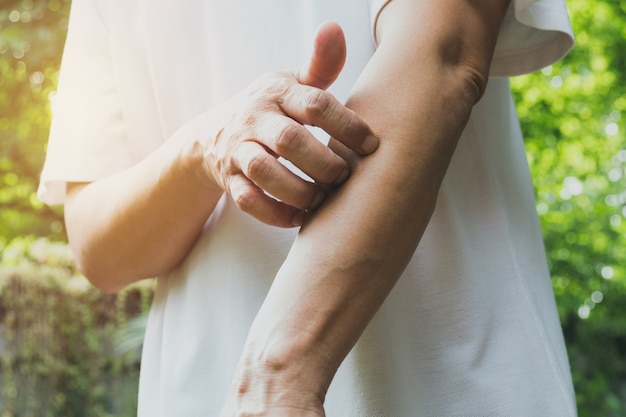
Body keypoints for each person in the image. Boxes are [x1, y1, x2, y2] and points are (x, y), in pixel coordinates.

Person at [39, 0, 577, 415]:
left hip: (445, 389)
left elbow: (445, 52)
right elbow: (96, 245)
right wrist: (205, 146)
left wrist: (279, 375)